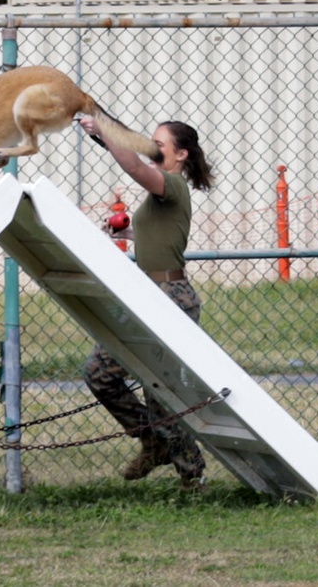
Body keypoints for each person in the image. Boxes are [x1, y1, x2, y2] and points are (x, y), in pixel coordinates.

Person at [76, 115, 215, 491]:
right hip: (150, 294)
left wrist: (107, 131)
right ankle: (152, 442)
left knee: (161, 394)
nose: (152, 147)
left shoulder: (170, 185)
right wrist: (129, 232)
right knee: (99, 373)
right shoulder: (162, 192)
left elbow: (134, 164)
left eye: (160, 143)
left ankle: (193, 475)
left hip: (173, 298)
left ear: (181, 154)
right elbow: (159, 239)